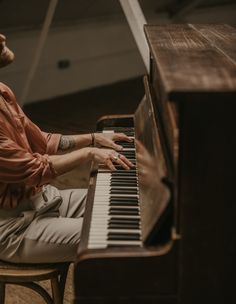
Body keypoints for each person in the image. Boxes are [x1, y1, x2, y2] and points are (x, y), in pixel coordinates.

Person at [0, 33, 134, 263]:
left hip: (41, 198)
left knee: (129, 210)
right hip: (12, 225)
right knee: (114, 238)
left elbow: (42, 141)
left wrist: (92, 139)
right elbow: (34, 169)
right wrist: (88, 153)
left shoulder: (2, 91)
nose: (2, 36)